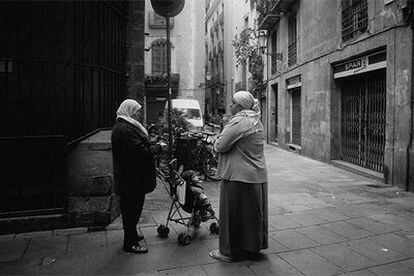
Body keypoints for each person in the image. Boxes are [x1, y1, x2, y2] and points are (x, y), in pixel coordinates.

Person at [209, 91, 268, 262]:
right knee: (251, 215)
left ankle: (229, 252)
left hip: (237, 176)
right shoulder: (256, 119)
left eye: (232, 103)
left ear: (239, 105)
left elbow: (221, 145)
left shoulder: (240, 121)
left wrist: (215, 141)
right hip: (255, 175)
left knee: (232, 215)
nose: (230, 106)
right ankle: (250, 248)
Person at [111, 99, 157, 254]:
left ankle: (132, 236)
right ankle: (129, 244)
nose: (140, 114)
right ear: (129, 111)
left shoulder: (126, 126)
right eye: (137, 111)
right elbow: (139, 152)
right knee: (131, 210)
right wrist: (155, 150)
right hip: (131, 179)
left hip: (132, 178)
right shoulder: (125, 130)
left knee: (133, 209)